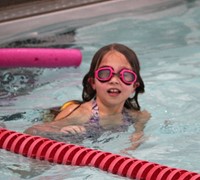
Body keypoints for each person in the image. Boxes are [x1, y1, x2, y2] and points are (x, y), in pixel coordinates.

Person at [24, 43, 151, 150]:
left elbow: (136, 140)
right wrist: (61, 133)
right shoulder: (80, 113)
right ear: (93, 83)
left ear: (134, 86)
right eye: (105, 73)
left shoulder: (137, 116)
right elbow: (32, 132)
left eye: (125, 75)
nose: (114, 80)